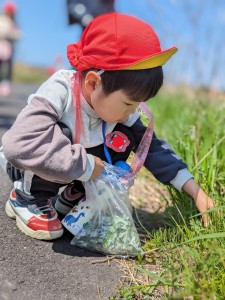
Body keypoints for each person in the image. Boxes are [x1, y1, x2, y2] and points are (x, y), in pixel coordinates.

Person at [1, 12, 214, 240]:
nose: (132, 112)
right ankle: (28, 196)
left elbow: (151, 148)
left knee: (125, 137)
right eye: (128, 103)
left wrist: (195, 191)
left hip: (72, 167)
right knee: (61, 133)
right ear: (93, 82)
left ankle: (74, 195)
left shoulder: (120, 112)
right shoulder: (60, 92)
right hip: (27, 162)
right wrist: (84, 166)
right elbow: (19, 144)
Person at [0, 1, 20, 96]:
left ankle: (5, 84)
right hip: (1, 47)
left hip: (9, 48)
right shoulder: (2, 19)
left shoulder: (13, 22)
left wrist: (10, 34)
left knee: (8, 68)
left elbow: (18, 34)